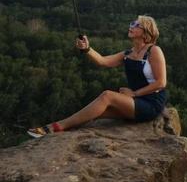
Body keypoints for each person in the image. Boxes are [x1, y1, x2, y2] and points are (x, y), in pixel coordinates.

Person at [27, 15, 168, 137]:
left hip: (151, 103)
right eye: (132, 23)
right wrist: (87, 49)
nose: (131, 26)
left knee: (107, 95)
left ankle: (54, 127)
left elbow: (161, 82)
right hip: (136, 102)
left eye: (137, 25)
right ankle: (60, 127)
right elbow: (103, 61)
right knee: (98, 112)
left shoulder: (153, 51)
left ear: (146, 32)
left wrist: (134, 93)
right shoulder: (128, 54)